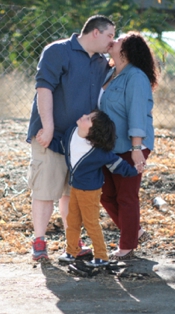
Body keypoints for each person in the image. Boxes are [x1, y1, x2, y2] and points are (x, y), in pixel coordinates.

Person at [26, 14, 115, 261]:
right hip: (51, 136)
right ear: (95, 32)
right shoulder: (58, 51)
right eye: (109, 35)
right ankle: (39, 241)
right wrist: (49, 126)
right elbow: (43, 88)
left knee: (71, 194)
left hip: (81, 141)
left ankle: (72, 242)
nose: (112, 41)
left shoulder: (101, 62)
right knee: (45, 189)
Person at [53, 109, 140, 270]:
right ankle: (71, 251)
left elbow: (117, 164)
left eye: (88, 118)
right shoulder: (71, 133)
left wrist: (134, 171)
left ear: (93, 130)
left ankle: (101, 256)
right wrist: (45, 139)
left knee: (90, 223)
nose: (83, 116)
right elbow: (61, 145)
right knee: (72, 221)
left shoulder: (98, 151)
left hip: (90, 192)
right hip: (76, 188)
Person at [99, 31, 159, 258]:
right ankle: (135, 231)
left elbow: (137, 114)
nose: (112, 42)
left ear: (126, 51)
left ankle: (127, 246)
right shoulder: (111, 73)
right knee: (105, 194)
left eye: (118, 40)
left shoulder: (136, 77)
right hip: (109, 145)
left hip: (132, 145)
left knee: (126, 196)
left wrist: (136, 149)